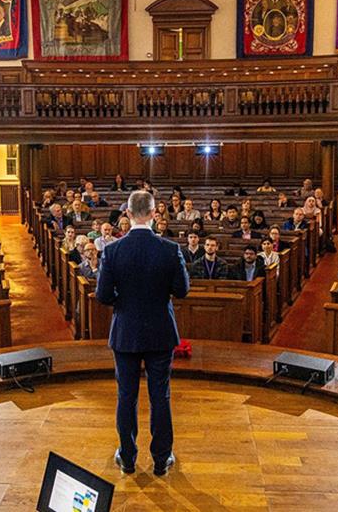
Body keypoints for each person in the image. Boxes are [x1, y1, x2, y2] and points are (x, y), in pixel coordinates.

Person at [95, 190, 189, 477]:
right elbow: (182, 290)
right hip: (160, 331)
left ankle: (128, 458)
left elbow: (102, 295)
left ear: (127, 213)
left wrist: (123, 303)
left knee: (126, 396)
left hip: (125, 332)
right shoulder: (170, 249)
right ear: (152, 214)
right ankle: (161, 460)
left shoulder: (112, 251)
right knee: (160, 395)